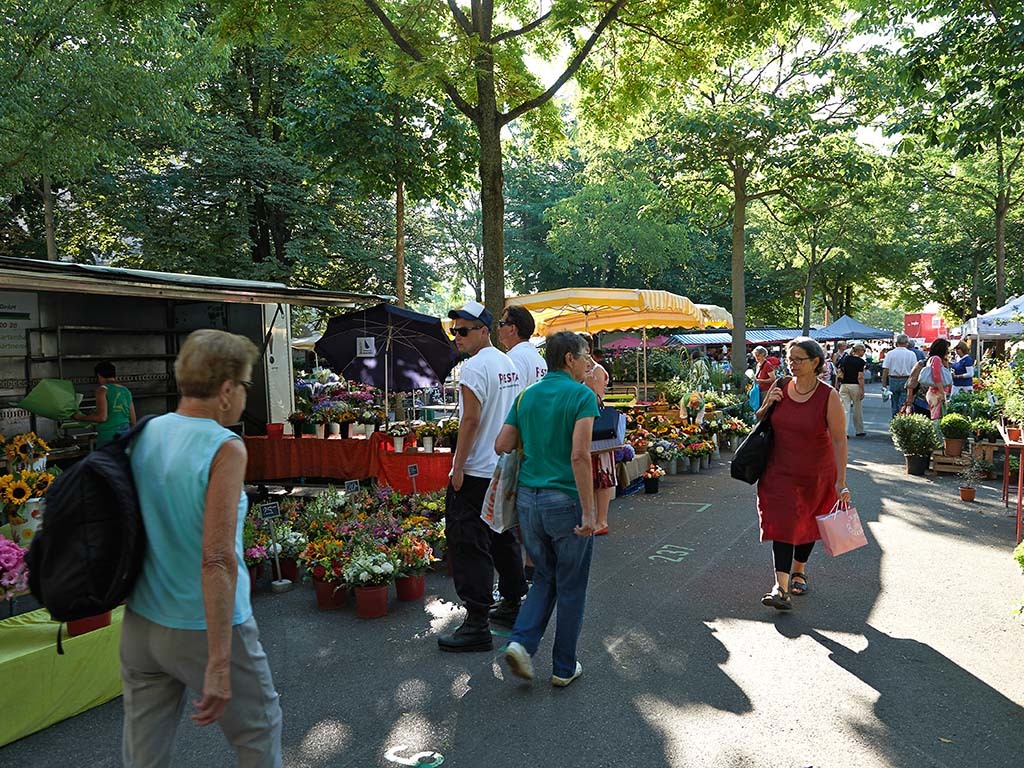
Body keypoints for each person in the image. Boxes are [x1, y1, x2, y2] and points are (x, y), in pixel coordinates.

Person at [121, 330, 282, 767]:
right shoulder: (224, 446)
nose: (246, 395)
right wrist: (218, 660)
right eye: (246, 385)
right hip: (202, 622)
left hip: (141, 622)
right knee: (258, 731)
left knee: (143, 751)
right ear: (227, 391)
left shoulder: (147, 431)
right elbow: (216, 558)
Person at [496, 331, 599, 687]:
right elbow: (580, 455)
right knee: (570, 585)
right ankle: (563, 666)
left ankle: (522, 643)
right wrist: (589, 512)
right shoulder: (582, 396)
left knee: (543, 575)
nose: (588, 363)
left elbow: (502, 443)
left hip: (528, 499)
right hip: (565, 499)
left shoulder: (527, 395)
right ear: (569, 358)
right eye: (585, 356)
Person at [439, 301, 527, 651]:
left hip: (476, 469)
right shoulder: (508, 364)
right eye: (454, 331)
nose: (457, 337)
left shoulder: (474, 369)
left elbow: (470, 421)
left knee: (468, 542)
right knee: (502, 533)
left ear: (483, 331)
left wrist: (457, 466)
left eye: (463, 331)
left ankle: (477, 621)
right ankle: (511, 602)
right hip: (502, 465)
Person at [755, 337, 850, 610]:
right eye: (789, 358)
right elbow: (761, 419)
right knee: (783, 523)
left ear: (815, 362)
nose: (791, 363)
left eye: (798, 359)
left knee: (807, 522)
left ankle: (799, 569)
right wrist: (768, 404)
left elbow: (839, 440)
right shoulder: (781, 385)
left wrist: (840, 481)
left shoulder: (828, 395)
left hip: (815, 473)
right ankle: (780, 587)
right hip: (778, 469)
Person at [579, 333, 614, 537]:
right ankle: (592, 518)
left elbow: (597, 401)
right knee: (590, 475)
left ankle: (602, 520)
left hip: (597, 429)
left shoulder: (597, 371)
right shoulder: (580, 371)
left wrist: (590, 386)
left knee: (602, 475)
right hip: (585, 427)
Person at [73, 361, 137, 447]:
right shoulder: (126, 391)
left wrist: (80, 417)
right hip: (125, 436)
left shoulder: (102, 390)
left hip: (109, 436)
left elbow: (102, 417)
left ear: (99, 375)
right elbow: (133, 421)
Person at [498, 304, 547, 389]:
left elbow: (512, 396)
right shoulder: (539, 359)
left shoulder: (514, 358)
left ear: (512, 329)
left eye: (501, 324)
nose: (498, 328)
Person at [905, 337, 952, 425]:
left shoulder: (943, 363)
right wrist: (909, 401)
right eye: (947, 350)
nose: (948, 352)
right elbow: (911, 383)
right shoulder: (922, 363)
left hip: (933, 401)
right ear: (942, 350)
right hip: (923, 401)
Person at [881, 334, 918, 418]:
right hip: (906, 379)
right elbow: (914, 370)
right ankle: (901, 420)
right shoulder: (911, 354)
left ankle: (894, 419)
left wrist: (883, 384)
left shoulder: (890, 354)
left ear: (896, 343)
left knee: (894, 401)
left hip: (893, 379)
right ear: (907, 343)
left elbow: (885, 369)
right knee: (903, 402)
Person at [837, 342, 867, 437]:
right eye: (864, 350)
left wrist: (836, 385)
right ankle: (859, 430)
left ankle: (843, 432)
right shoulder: (860, 362)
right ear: (860, 350)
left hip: (844, 385)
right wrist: (862, 390)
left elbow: (839, 372)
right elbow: (860, 377)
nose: (864, 352)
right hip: (855, 386)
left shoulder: (844, 359)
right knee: (857, 409)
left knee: (845, 409)